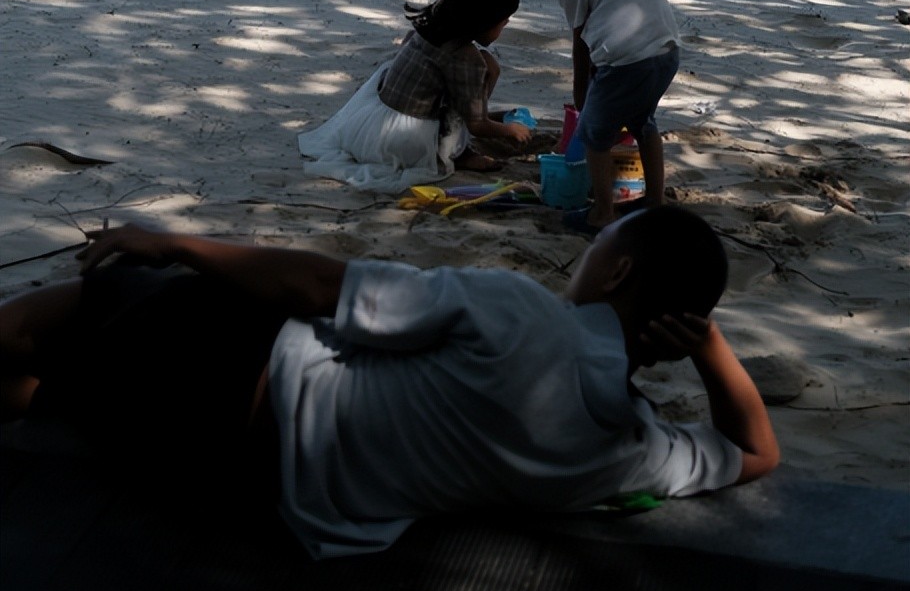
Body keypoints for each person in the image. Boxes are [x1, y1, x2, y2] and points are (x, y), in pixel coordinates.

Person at [0, 205, 779, 560]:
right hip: (245, 474)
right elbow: (757, 452)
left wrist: (177, 243)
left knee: (38, 325)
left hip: (232, 361)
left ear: (618, 268)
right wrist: (707, 345)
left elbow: (316, 286)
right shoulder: (630, 454)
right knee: (50, 393)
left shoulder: (521, 313)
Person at [510, 0, 679, 236]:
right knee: (643, 123)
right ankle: (654, 202)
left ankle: (602, 212)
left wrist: (581, 97)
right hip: (666, 54)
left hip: (625, 66)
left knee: (594, 135)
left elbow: (581, 47)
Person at [297, 0, 533, 187]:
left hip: (374, 120)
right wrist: (510, 130)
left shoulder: (431, 25)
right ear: (484, 22)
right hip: (403, 140)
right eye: (503, 23)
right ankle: (459, 153)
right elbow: (477, 126)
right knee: (483, 70)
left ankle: (465, 130)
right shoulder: (465, 57)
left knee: (488, 64)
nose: (504, 28)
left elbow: (415, 51)